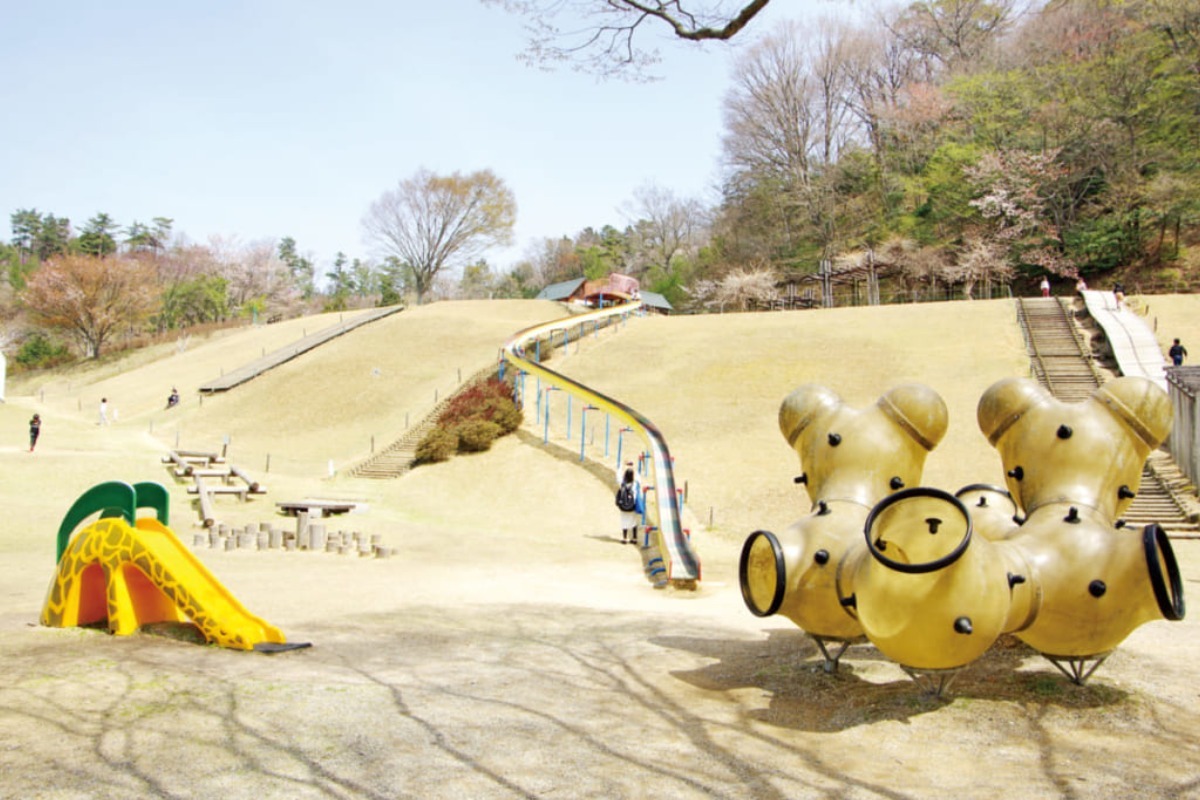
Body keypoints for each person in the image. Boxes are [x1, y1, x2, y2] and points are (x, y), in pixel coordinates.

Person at [615, 461, 641, 545]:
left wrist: (622, 466)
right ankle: (634, 538)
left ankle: (625, 538)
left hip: (623, 506)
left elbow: (618, 476)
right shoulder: (635, 484)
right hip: (632, 506)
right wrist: (633, 467)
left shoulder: (622, 483)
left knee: (624, 521)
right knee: (633, 521)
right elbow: (638, 477)